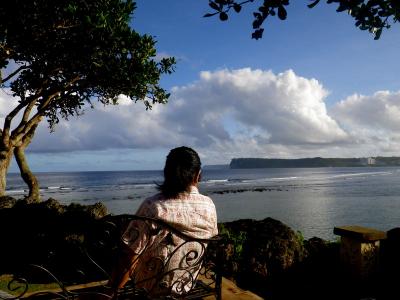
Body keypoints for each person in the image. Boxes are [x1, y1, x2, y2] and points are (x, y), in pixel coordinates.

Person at [109, 146, 218, 297]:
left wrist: (111, 292)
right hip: (186, 283)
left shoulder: (154, 207)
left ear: (167, 174)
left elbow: (129, 257)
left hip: (150, 287)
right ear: (197, 175)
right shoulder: (209, 205)